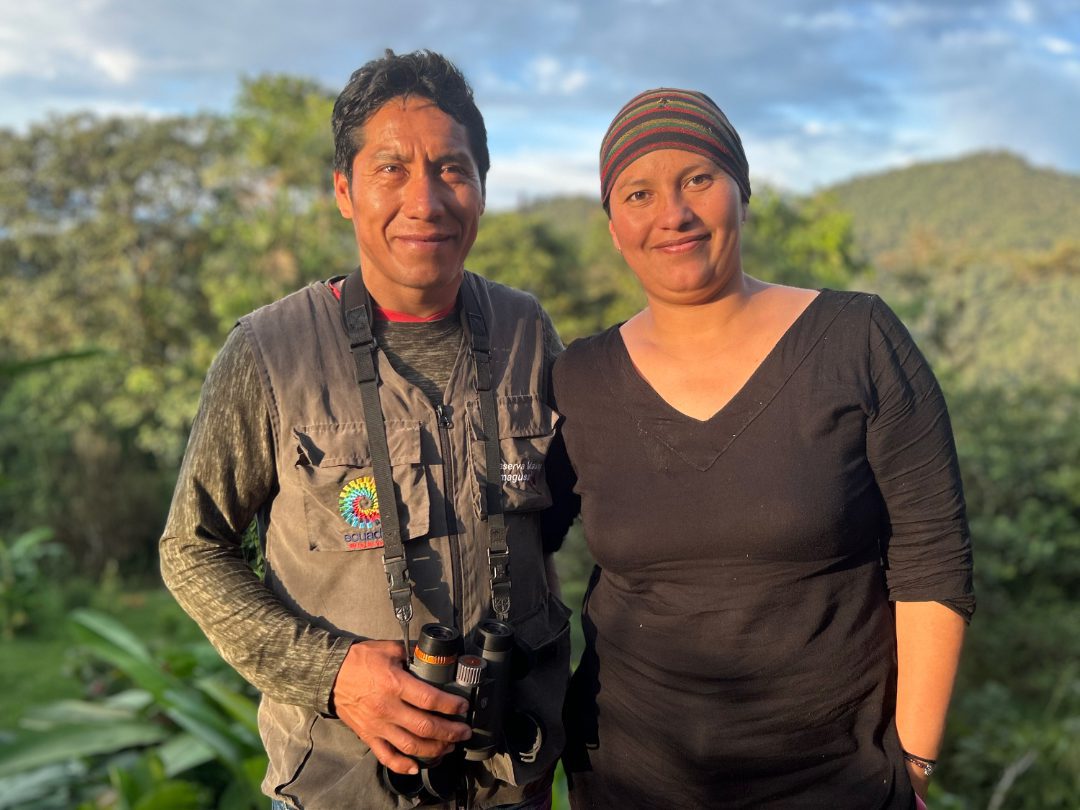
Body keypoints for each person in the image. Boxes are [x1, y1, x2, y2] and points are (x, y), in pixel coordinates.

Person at [160, 49, 576, 810]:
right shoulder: (269, 351)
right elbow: (191, 549)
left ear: (483, 187)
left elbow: (556, 520)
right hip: (339, 785)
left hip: (514, 779)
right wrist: (334, 675)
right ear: (345, 191)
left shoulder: (527, 332)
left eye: (452, 169)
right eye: (391, 170)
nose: (425, 201)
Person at [555, 88, 974, 809]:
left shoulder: (856, 339)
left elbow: (933, 554)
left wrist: (914, 764)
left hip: (836, 782)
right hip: (629, 779)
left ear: (741, 193)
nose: (673, 214)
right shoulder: (581, 378)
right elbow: (512, 537)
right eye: (638, 193)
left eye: (698, 179)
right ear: (615, 228)